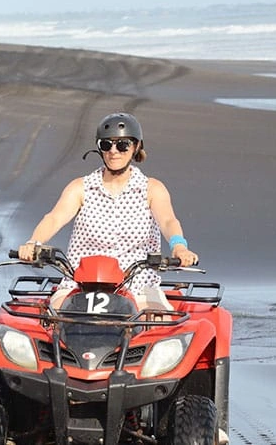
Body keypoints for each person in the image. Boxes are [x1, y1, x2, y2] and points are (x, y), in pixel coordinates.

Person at [17, 112, 199, 309]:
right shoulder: (81, 187)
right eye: (106, 144)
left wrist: (179, 246)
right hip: (80, 286)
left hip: (139, 287)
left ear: (136, 146)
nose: (114, 151)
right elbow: (54, 218)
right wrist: (33, 243)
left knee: (161, 322)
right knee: (54, 318)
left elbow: (168, 221)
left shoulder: (151, 188)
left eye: (122, 145)